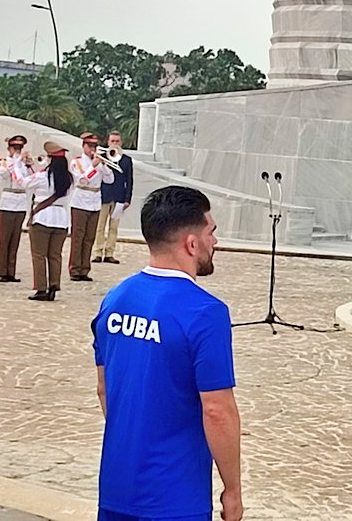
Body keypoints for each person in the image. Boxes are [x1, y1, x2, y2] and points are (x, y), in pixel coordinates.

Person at [92, 186, 242, 521]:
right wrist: (232, 490)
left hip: (117, 484)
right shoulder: (205, 312)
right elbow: (217, 410)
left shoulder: (115, 299)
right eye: (211, 232)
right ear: (192, 243)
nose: (214, 242)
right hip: (175, 495)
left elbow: (105, 389)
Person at [20, 141, 73, 301]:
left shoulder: (43, 176)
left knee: (39, 255)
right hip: (61, 218)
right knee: (55, 255)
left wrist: (21, 164)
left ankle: (41, 288)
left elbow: (23, 182)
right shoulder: (69, 179)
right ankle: (54, 286)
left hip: (42, 217)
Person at [69, 133, 114, 281]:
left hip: (95, 202)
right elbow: (82, 181)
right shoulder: (77, 162)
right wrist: (94, 166)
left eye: (95, 146)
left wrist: (105, 165)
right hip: (80, 201)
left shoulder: (99, 163)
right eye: (90, 146)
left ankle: (84, 269)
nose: (92, 149)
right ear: (84, 146)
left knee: (89, 237)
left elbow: (110, 180)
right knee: (78, 237)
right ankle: (75, 269)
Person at [93, 131, 134, 265]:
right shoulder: (103, 157)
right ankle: (98, 252)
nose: (115, 144)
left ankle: (109, 253)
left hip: (119, 197)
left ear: (121, 143)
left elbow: (129, 180)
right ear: (108, 142)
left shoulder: (126, 160)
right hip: (103, 195)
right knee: (100, 226)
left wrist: (127, 198)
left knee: (114, 227)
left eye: (117, 141)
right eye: (112, 141)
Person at [0, 135, 29, 283]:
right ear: (9, 149)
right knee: (5, 239)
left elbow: (30, 179)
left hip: (20, 202)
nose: (17, 151)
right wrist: (16, 161)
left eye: (20, 148)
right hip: (7, 202)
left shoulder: (24, 165)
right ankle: (2, 271)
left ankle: (11, 271)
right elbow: (3, 173)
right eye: (15, 148)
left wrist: (27, 164)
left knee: (15, 239)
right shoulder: (3, 161)